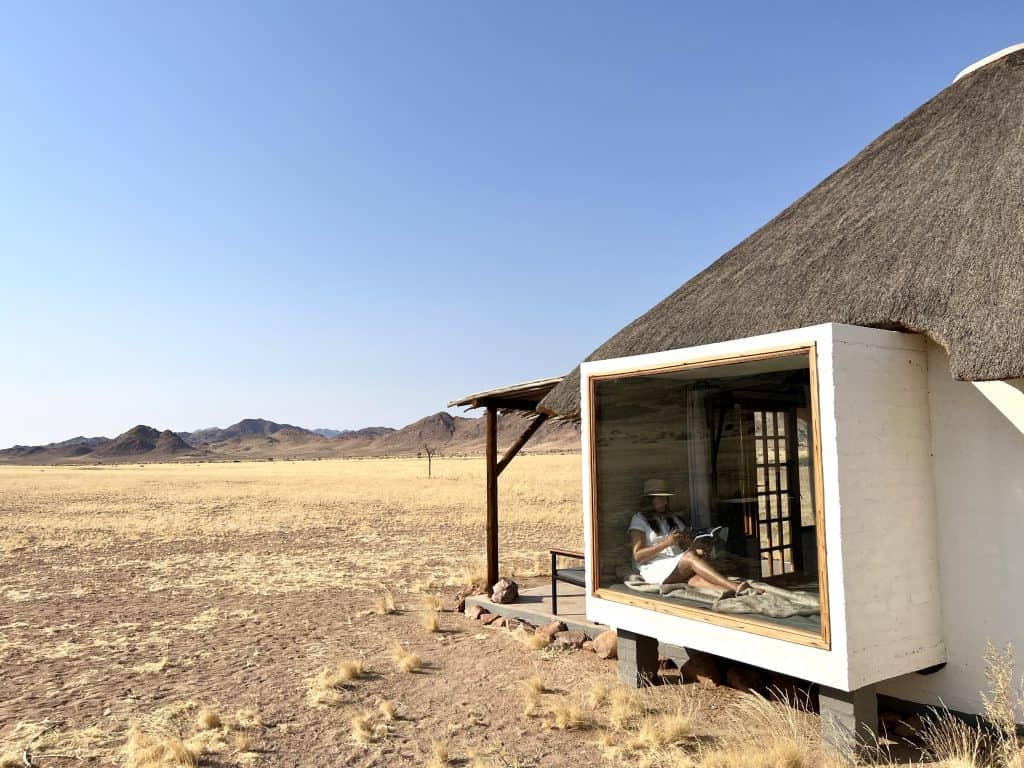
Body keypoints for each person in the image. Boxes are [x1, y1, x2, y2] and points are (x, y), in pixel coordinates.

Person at [628, 478, 752, 596]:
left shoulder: (670, 518)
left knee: (697, 578)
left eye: (666, 499)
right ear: (649, 501)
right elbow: (638, 556)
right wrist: (667, 543)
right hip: (656, 568)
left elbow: (685, 543)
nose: (665, 502)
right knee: (690, 558)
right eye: (660, 499)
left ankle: (735, 593)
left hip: (676, 562)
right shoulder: (639, 520)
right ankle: (735, 586)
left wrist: (694, 544)